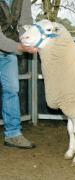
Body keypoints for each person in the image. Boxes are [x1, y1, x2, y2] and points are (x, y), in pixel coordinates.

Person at [0, 0, 38, 149]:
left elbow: (25, 23)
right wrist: (19, 47)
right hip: (10, 47)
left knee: (12, 89)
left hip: (8, 52)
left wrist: (27, 41)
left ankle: (13, 134)